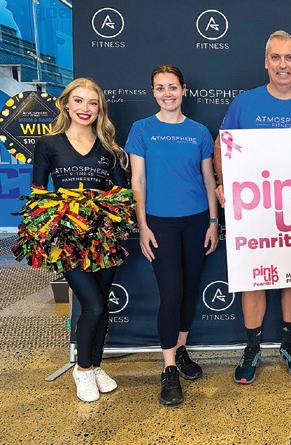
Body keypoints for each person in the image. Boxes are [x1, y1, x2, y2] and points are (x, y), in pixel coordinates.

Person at [213, 31, 291, 384]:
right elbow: (221, 146)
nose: (283, 65)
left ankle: (289, 345)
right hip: (255, 209)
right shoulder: (244, 104)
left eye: (289, 57)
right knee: (254, 279)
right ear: (266, 62)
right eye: (276, 57)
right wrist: (224, 183)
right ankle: (252, 349)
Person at [31, 78, 128, 402]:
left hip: (103, 238)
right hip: (69, 239)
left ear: (100, 109)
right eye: (79, 101)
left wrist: (106, 209)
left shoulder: (110, 149)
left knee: (102, 306)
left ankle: (96, 365)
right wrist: (53, 227)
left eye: (92, 103)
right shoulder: (48, 144)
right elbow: (38, 194)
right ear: (66, 104)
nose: (85, 108)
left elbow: (121, 193)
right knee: (93, 305)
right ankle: (82, 369)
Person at [126, 65, 219, 405]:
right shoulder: (141, 129)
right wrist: (143, 226)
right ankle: (168, 369)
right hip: (159, 223)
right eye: (160, 88)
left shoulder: (199, 132)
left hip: (196, 221)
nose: (167, 93)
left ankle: (180, 351)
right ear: (153, 92)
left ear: (184, 89)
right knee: (171, 293)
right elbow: (138, 181)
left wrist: (213, 221)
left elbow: (208, 179)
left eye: (173, 87)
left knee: (190, 290)